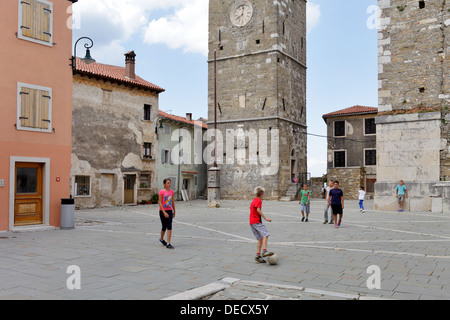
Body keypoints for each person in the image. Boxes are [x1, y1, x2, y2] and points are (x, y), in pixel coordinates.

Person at [249, 186, 274, 263]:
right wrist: (265, 218)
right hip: (256, 221)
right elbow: (258, 210)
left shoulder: (253, 200)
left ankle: (258, 255)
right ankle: (264, 251)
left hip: (252, 222)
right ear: (261, 194)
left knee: (260, 238)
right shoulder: (259, 201)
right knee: (265, 234)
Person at [159, 178, 175, 249]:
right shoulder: (161, 192)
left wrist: (174, 210)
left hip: (169, 210)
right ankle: (161, 239)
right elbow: (160, 202)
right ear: (164, 184)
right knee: (164, 227)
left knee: (169, 226)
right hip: (162, 211)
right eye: (168, 183)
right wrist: (164, 212)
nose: (169, 184)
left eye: (170, 183)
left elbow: (172, 201)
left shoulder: (171, 192)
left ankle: (168, 243)